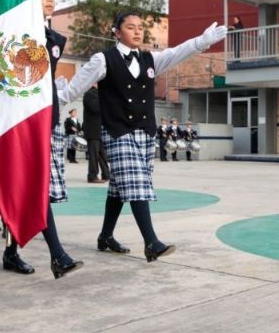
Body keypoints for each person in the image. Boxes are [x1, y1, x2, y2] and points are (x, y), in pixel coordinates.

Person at [57, 14, 226, 262]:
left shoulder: (150, 59)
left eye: (140, 28)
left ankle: (105, 236)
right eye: (130, 27)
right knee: (136, 184)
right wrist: (50, 99)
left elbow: (177, 52)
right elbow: (74, 89)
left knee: (118, 188)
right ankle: (151, 242)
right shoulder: (102, 60)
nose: (137, 32)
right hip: (117, 132)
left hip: (145, 132)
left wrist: (202, 41)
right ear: (116, 32)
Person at [0, 0, 83, 279]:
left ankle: (12, 252)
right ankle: (58, 255)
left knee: (37, 192)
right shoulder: (13, 37)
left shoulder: (53, 40)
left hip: (45, 123)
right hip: (18, 127)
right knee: (36, 191)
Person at [83, 85, 110, 183]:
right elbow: (95, 108)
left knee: (102, 154)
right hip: (93, 130)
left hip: (99, 130)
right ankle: (92, 176)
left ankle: (106, 174)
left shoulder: (98, 94)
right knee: (94, 155)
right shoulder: (89, 93)